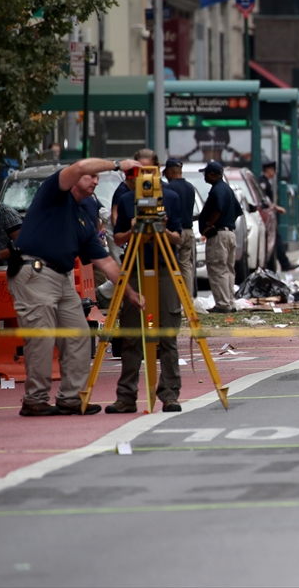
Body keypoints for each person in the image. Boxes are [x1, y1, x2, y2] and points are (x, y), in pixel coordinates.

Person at [9, 157, 143, 416]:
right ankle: (34, 400)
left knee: (80, 335)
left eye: (98, 177)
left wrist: (130, 292)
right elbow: (81, 167)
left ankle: (71, 398)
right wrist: (118, 165)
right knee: (42, 339)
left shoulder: (83, 216)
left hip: (61, 277)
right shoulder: (54, 192)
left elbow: (106, 262)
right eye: (92, 176)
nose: (95, 180)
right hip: (35, 273)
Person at [107, 164, 186, 413]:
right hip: (135, 269)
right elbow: (118, 239)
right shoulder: (126, 199)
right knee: (131, 336)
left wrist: (160, 227)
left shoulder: (171, 197)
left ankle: (170, 394)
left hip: (163, 268)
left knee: (167, 336)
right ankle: (126, 396)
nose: (148, 181)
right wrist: (134, 227)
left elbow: (178, 238)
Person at [199, 160, 240, 313]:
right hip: (229, 233)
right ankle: (229, 301)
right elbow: (237, 210)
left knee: (217, 268)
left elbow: (218, 209)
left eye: (206, 174)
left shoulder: (217, 190)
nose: (204, 177)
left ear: (212, 174)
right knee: (228, 269)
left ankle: (222, 304)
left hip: (219, 235)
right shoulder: (227, 189)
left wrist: (209, 225)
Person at [163, 157, 198, 291]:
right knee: (186, 266)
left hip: (174, 232)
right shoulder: (190, 187)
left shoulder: (169, 188)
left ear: (170, 171)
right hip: (189, 231)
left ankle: (174, 299)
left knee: (171, 266)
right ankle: (187, 299)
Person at [259, 161, 297, 271]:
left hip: (268, 217)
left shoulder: (266, 182)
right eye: (274, 170)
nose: (275, 173)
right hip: (265, 217)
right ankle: (284, 263)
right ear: (269, 170)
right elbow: (264, 201)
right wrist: (277, 208)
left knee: (276, 239)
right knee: (275, 239)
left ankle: (284, 263)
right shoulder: (263, 183)